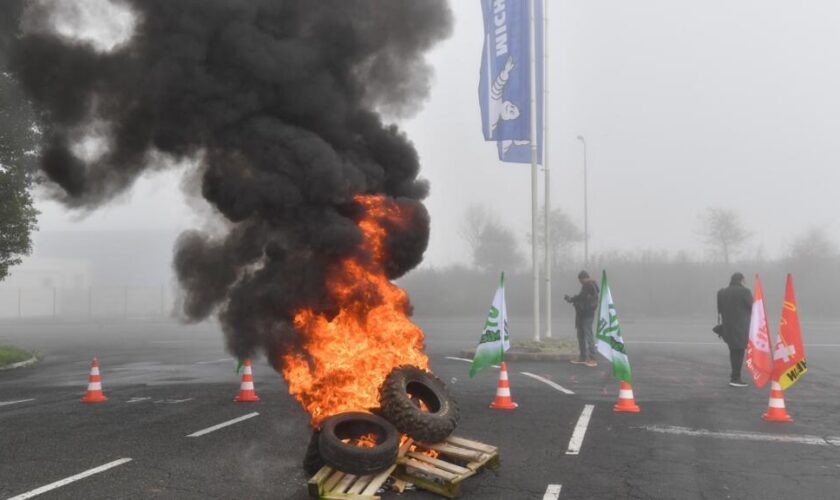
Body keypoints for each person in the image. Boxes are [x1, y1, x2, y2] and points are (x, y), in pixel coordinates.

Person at [717, 272, 753, 387]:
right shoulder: (745, 292)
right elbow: (753, 307)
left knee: (733, 352)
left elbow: (720, 309)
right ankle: (735, 378)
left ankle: (735, 376)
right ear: (741, 280)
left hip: (727, 327)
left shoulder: (722, 292)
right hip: (740, 328)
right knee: (738, 352)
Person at [564, 270, 600, 367]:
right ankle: (583, 357)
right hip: (584, 313)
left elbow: (582, 297)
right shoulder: (593, 285)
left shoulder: (588, 284)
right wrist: (574, 299)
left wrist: (571, 299)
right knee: (581, 335)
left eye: (580, 280)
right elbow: (584, 297)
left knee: (588, 335)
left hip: (586, 314)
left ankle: (592, 358)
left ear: (583, 278)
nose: (580, 282)